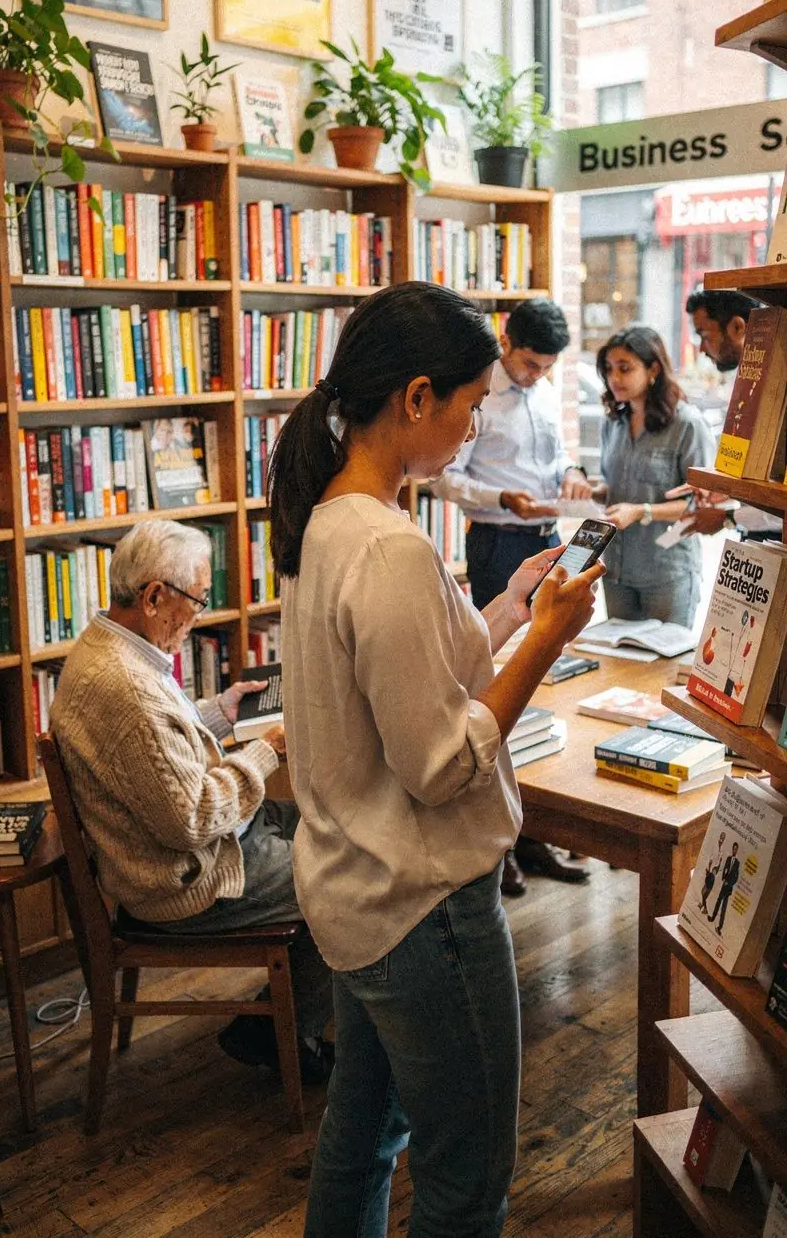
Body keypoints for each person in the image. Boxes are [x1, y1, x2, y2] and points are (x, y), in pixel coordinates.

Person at [268, 283, 603, 1238]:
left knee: (363, 1137)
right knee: (465, 1176)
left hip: (356, 891)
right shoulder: (387, 547)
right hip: (422, 911)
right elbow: (440, 764)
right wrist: (546, 643)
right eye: (470, 403)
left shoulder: (328, 521)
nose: (475, 424)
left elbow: (418, 679)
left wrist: (509, 611)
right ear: (417, 398)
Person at [50, 518, 333, 1083]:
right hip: (187, 877)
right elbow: (194, 818)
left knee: (343, 825)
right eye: (196, 603)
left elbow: (153, 754)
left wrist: (221, 713)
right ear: (155, 596)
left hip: (179, 850)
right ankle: (277, 1031)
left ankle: (288, 1017)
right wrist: (263, 752)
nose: (196, 618)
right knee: (357, 869)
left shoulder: (108, 647)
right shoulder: (127, 688)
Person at [432, 297, 592, 896]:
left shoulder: (545, 391)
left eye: (547, 367)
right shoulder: (476, 397)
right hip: (497, 541)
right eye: (529, 364)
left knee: (546, 673)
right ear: (506, 343)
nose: (536, 375)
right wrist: (504, 500)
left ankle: (533, 831)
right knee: (498, 673)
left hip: (546, 535)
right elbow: (444, 475)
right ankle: (500, 845)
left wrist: (571, 473)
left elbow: (554, 457)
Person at [594, 325, 714, 628]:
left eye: (625, 368)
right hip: (617, 569)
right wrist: (592, 492)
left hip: (667, 571)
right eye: (609, 369)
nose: (614, 378)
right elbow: (616, 489)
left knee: (663, 669)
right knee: (620, 666)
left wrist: (642, 511)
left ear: (653, 369)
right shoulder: (613, 423)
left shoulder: (687, 425)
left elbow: (705, 506)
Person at [676, 289, 782, 544]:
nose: (701, 348)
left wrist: (730, 517)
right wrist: (728, 490)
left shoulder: (777, 386)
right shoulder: (752, 382)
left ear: (737, 327)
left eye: (703, 334)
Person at [709, 842, 741, 936]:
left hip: (728, 888)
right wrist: (723, 878)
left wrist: (729, 882)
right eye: (733, 848)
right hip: (724, 885)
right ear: (732, 849)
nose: (734, 850)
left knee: (724, 907)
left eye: (736, 849)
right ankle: (713, 918)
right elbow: (725, 869)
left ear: (737, 850)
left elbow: (736, 878)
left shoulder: (737, 863)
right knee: (718, 901)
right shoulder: (728, 858)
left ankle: (720, 927)